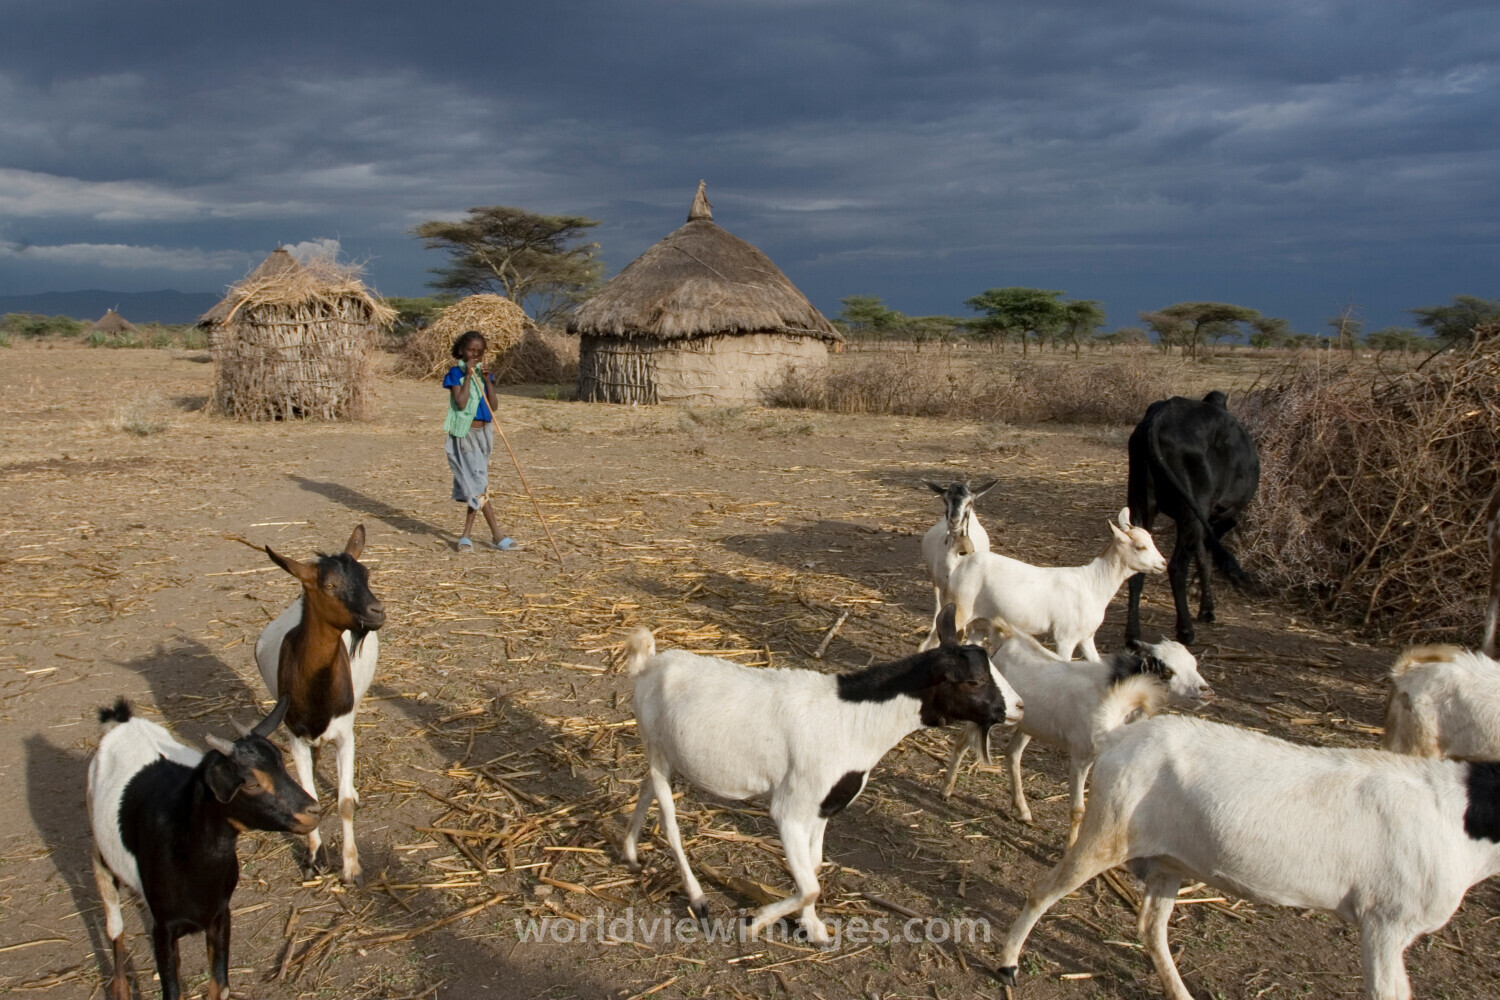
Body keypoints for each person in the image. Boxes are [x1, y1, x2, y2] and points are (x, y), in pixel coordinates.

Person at [443, 331, 516, 551]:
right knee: (478, 484)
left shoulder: (486, 374)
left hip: (484, 433)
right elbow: (462, 403)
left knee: (477, 484)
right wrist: (468, 375)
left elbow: (493, 406)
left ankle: (466, 536)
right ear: (461, 350)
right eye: (470, 351)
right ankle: (497, 535)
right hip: (465, 435)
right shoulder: (455, 374)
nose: (474, 355)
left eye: (479, 352)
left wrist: (486, 380)